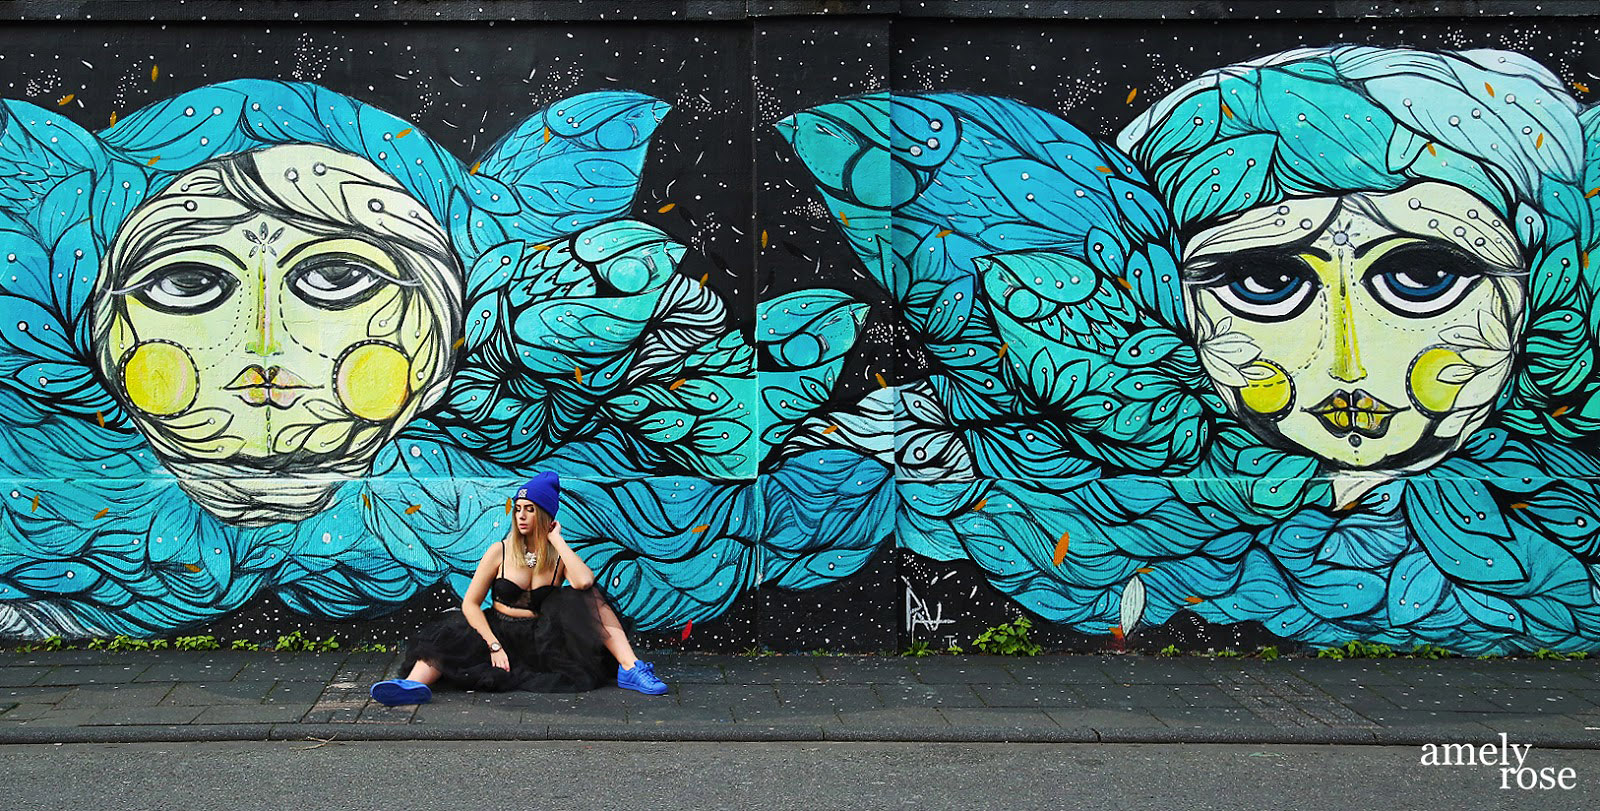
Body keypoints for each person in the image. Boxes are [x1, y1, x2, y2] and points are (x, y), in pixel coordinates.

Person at [369, 471, 668, 704]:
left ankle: (631, 668)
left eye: (530, 509)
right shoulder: (498, 551)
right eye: (519, 509)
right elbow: (470, 604)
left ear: (546, 516)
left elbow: (584, 581)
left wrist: (558, 541)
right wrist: (493, 644)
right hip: (499, 630)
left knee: (587, 597)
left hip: (542, 639)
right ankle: (412, 686)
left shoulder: (557, 555)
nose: (522, 516)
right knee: (450, 636)